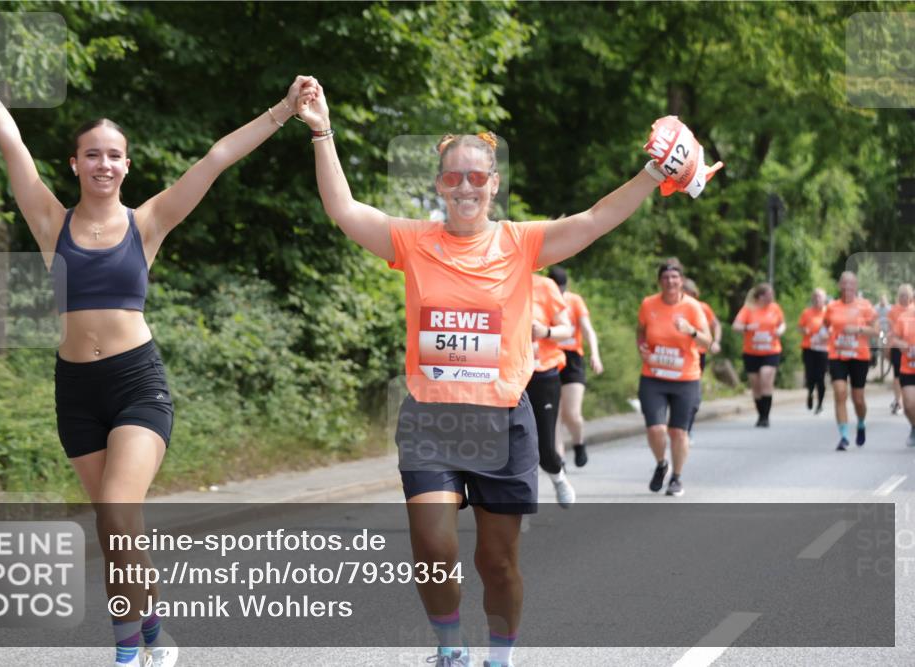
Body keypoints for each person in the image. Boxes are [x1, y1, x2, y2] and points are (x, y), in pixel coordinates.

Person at [296, 78, 708, 667]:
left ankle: (500, 657)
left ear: (493, 183)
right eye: (452, 177)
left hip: (501, 422)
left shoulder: (520, 243)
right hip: (431, 422)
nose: (464, 186)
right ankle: (450, 650)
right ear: (439, 185)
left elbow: (594, 219)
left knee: (497, 562)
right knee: (432, 548)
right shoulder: (412, 241)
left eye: (476, 176)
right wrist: (322, 131)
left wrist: (651, 173)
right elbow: (343, 208)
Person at [0, 28, 312, 667]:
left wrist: (284, 110)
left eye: (115, 155)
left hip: (137, 384)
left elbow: (217, 157)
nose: (104, 164)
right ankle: (152, 631)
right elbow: (9, 136)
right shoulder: (50, 221)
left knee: (117, 512)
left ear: (127, 166)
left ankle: (125, 653)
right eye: (93, 155)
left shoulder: (149, 222)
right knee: (117, 531)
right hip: (76, 393)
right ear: (75, 164)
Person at [637, 259, 712, 498]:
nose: (670, 281)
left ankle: (676, 478)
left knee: (678, 432)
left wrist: (691, 330)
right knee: (655, 429)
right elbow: (641, 331)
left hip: (686, 378)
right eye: (666, 277)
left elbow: (708, 341)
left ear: (681, 281)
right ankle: (662, 464)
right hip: (654, 376)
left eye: (675, 277)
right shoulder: (648, 304)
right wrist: (641, 346)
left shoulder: (693, 307)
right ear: (660, 281)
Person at [547, 266, 603, 467]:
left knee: (572, 413)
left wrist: (595, 354)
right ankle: (559, 460)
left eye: (562, 289)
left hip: (572, 359)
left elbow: (588, 330)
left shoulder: (575, 301)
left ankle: (579, 443)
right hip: (550, 358)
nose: (560, 293)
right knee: (554, 415)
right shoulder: (544, 300)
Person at [528, 273, 576, 506]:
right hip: (506, 376)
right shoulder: (493, 279)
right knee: (509, 446)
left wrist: (545, 332)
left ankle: (558, 477)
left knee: (545, 447)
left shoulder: (545, 285)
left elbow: (567, 330)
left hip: (542, 372)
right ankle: (518, 504)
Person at [824, 271, 878, 451]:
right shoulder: (832, 306)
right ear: (839, 285)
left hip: (859, 356)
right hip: (837, 355)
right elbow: (825, 325)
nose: (847, 286)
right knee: (840, 392)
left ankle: (861, 423)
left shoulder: (865, 306)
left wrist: (857, 330)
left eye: (851, 283)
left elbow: (876, 331)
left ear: (856, 286)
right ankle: (844, 436)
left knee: (858, 399)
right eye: (844, 283)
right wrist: (827, 335)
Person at [732, 283, 785, 427]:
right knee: (756, 386)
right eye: (769, 295)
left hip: (771, 350)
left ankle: (766, 417)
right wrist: (747, 327)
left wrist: (780, 330)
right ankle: (761, 414)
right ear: (760, 296)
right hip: (752, 352)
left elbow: (782, 324)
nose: (772, 297)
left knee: (765, 377)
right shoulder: (748, 309)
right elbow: (735, 326)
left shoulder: (775, 308)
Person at [681, 277, 720, 438]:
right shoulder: (674, 307)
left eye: (689, 294)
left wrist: (715, 342)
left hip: (698, 354)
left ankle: (687, 428)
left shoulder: (702, 307)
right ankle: (679, 427)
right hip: (679, 354)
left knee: (692, 394)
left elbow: (716, 325)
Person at [798, 287, 830, 414]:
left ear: (824, 299)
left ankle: (820, 404)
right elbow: (799, 328)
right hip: (809, 348)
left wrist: (828, 334)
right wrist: (804, 330)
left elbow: (834, 328)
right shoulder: (807, 312)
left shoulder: (829, 312)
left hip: (824, 349)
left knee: (820, 377)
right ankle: (810, 393)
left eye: (820, 297)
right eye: (815, 297)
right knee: (810, 375)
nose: (817, 299)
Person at [888, 305, 915, 447]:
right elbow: (892, 339)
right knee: (909, 406)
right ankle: (914, 427)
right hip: (909, 369)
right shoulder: (904, 318)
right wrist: (901, 344)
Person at [886, 284, 915, 415]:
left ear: (911, 297)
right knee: (897, 375)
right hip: (898, 346)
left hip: (912, 347)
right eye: (902, 295)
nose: (904, 298)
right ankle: (898, 400)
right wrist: (888, 346)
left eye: (906, 295)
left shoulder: (913, 309)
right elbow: (890, 331)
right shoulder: (893, 311)